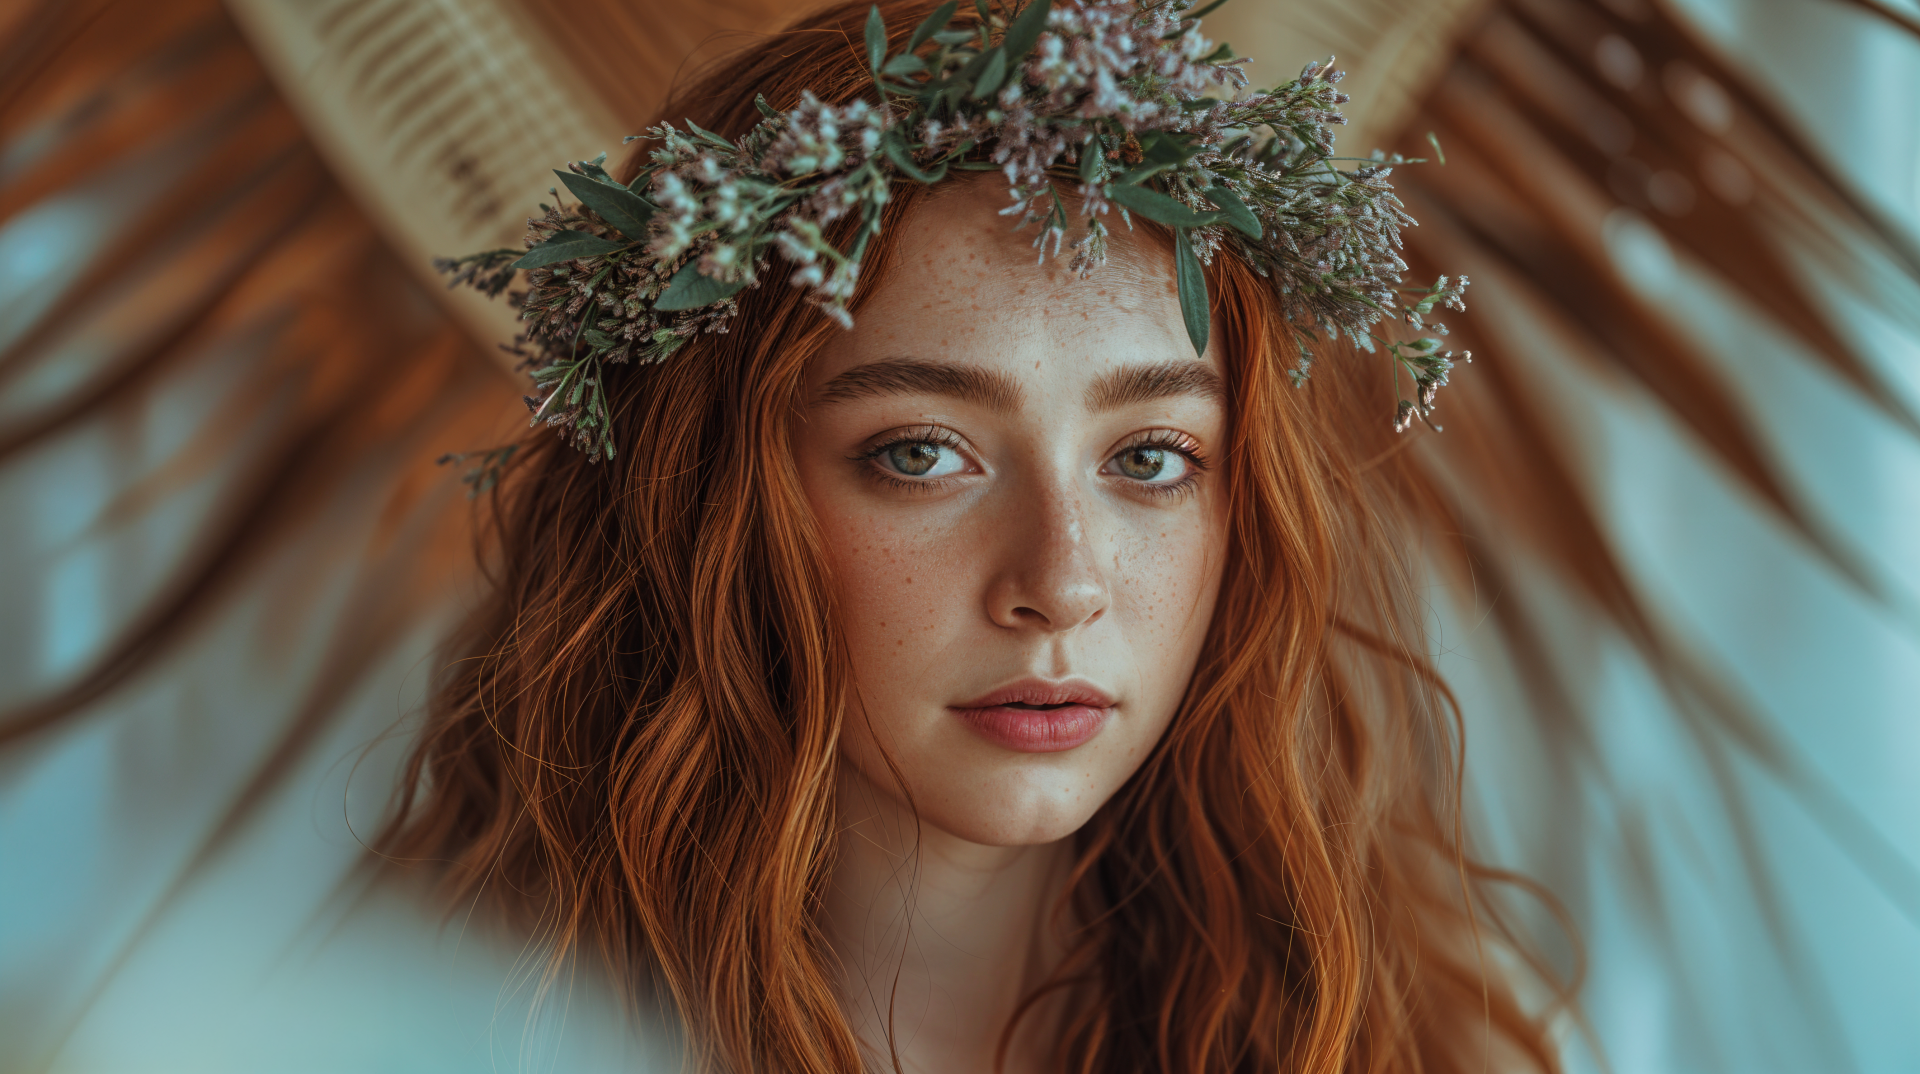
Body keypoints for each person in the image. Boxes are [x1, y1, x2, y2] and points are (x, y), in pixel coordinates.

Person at [381, 3, 1559, 1071]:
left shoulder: (1426, 1046)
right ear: (703, 494)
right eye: (920, 454)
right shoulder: (419, 1028)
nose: (1061, 583)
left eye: (1150, 458)